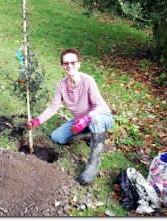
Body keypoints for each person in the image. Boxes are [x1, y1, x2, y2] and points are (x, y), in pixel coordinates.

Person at [25, 48, 114, 185]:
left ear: (79, 64)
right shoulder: (61, 85)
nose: (69, 66)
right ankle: (89, 134)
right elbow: (53, 107)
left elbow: (101, 106)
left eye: (73, 62)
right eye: (66, 63)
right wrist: (37, 121)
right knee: (56, 137)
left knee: (95, 121)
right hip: (81, 120)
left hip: (101, 117)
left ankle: (92, 165)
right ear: (62, 66)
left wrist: (87, 118)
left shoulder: (88, 81)